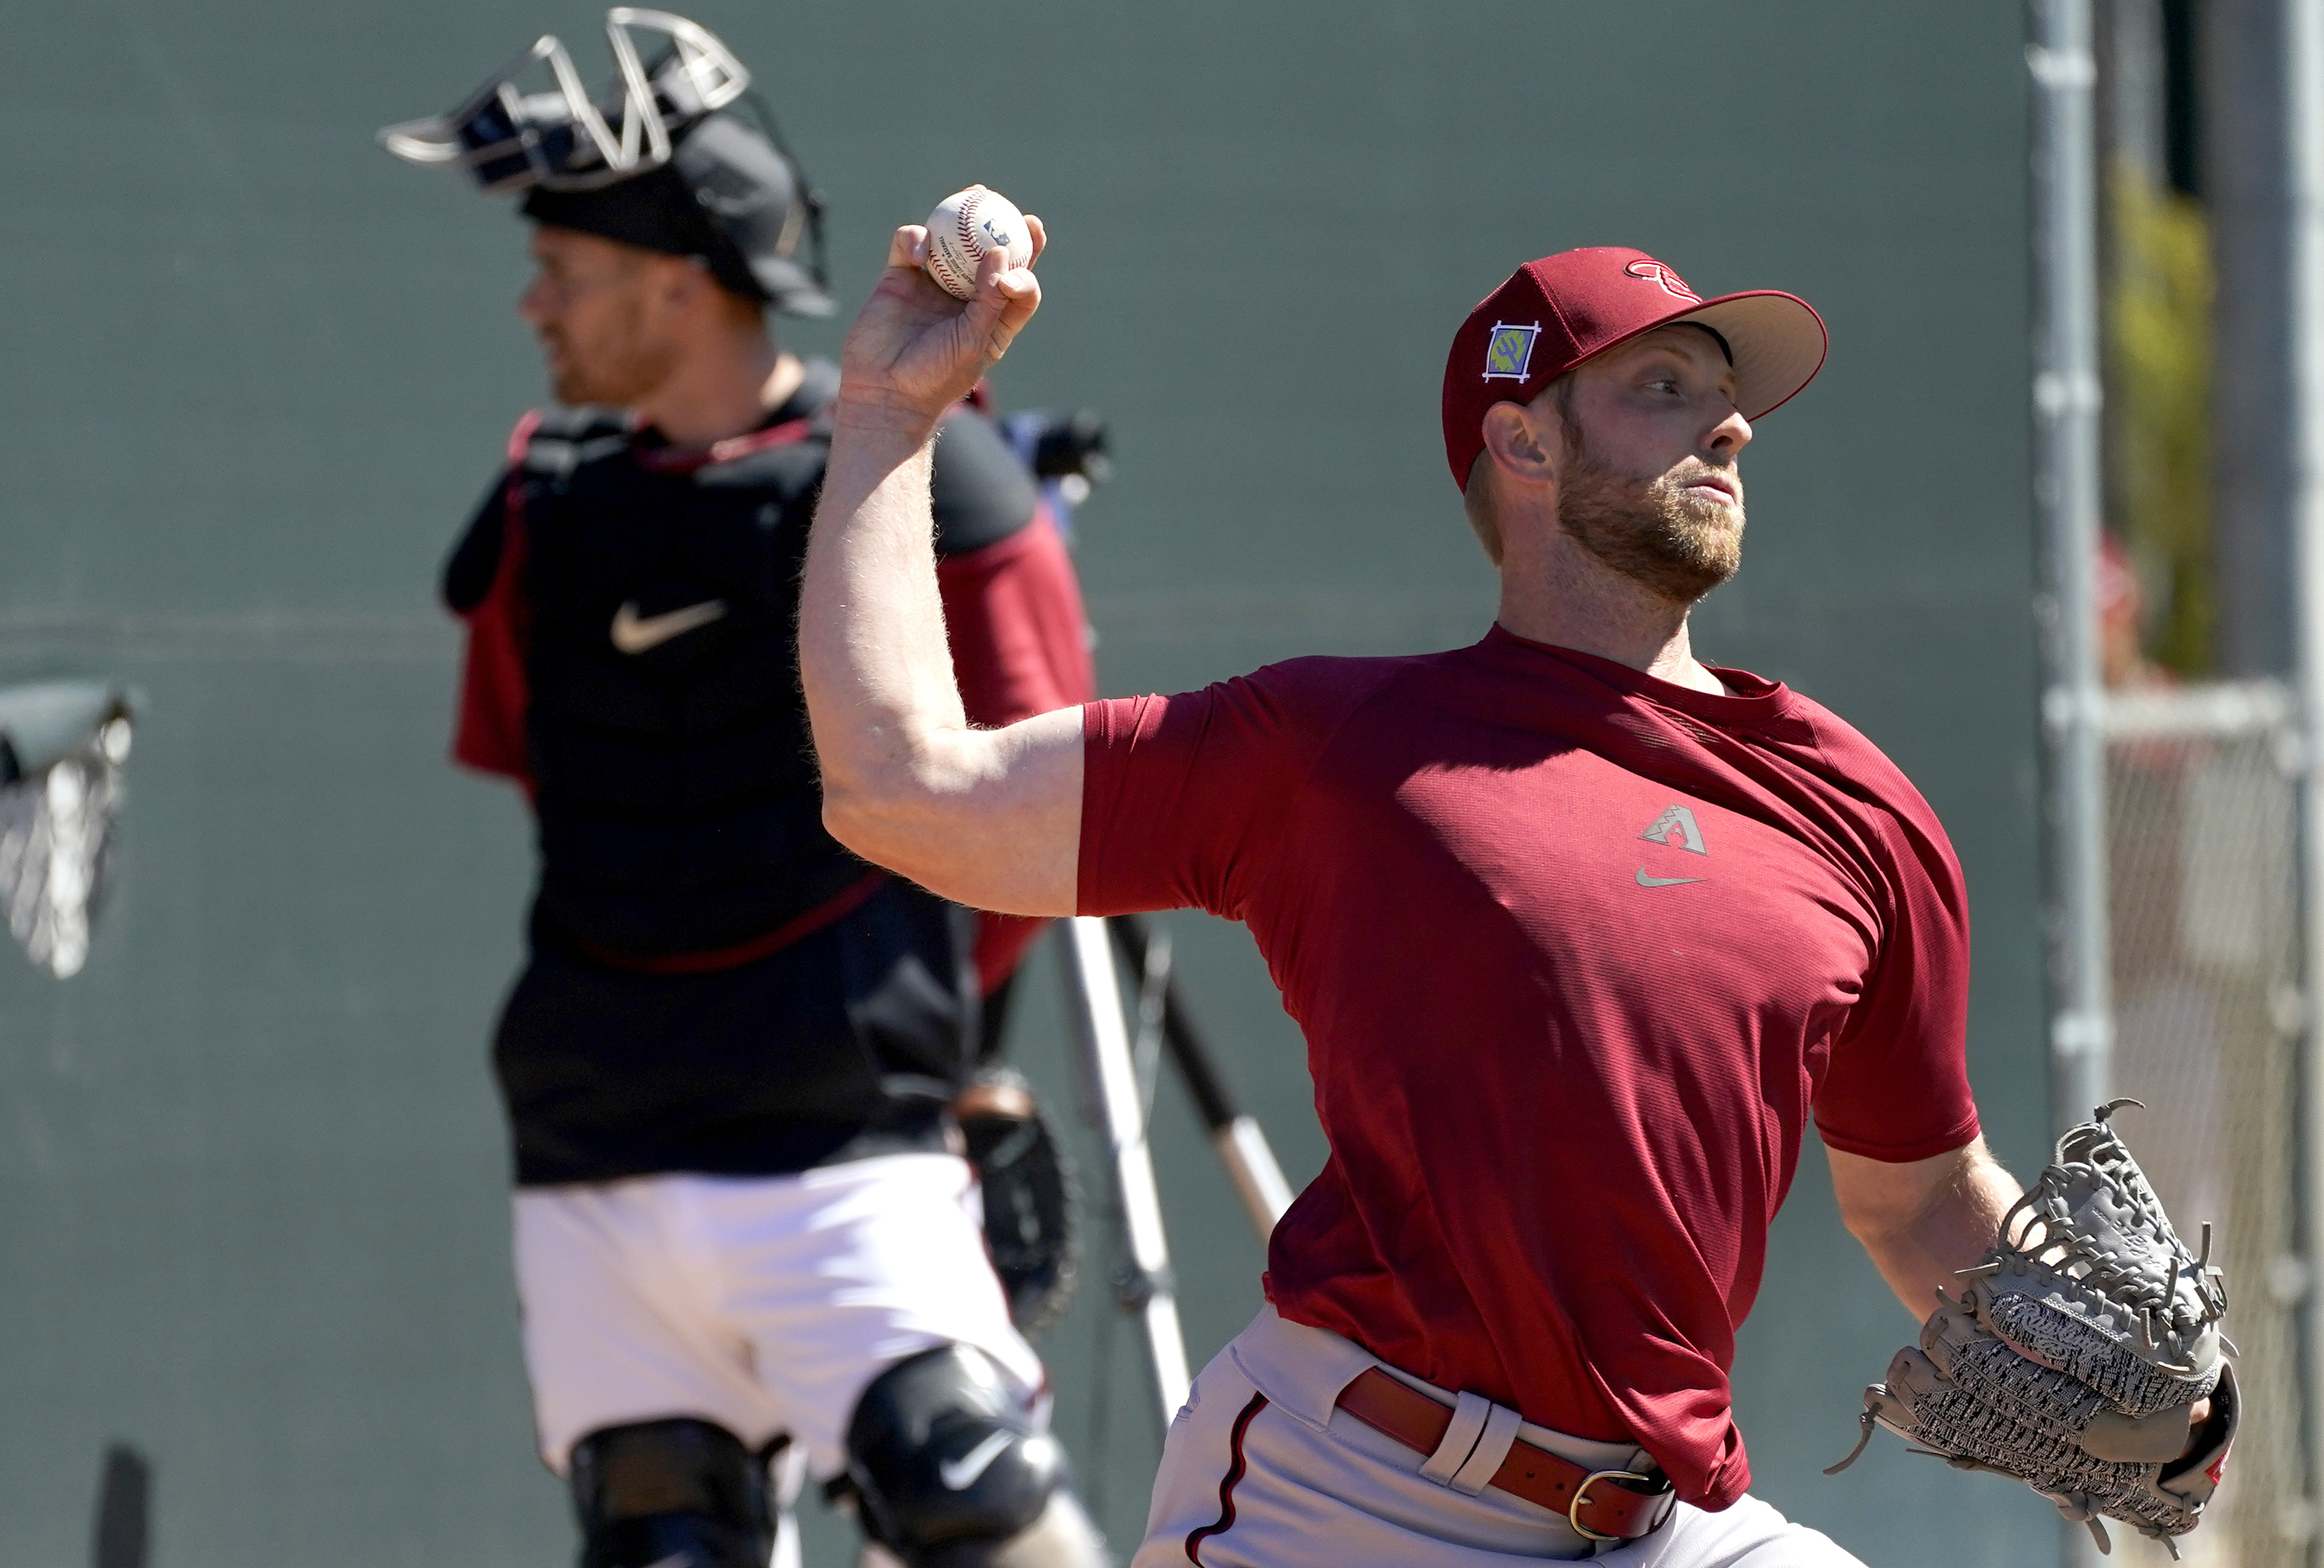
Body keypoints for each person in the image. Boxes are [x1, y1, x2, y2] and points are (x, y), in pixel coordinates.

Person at [795, 224, 2060, 1566]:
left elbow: (1920, 1200)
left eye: (1728, 395)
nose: (1732, 427)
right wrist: (886, 413)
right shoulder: (1339, 748)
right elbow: (903, 789)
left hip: (1665, 1522)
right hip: (1361, 1499)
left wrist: (2111, 1363)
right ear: (1524, 444)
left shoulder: (1854, 806)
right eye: (1665, 387)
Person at [380, 15, 1106, 1567]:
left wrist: (960, 1066)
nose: (533, 304)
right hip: (593, 1160)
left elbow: (1031, 823)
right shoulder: (541, 517)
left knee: (973, 1496)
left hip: (841, 1150)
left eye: (563, 269)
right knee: (659, 1538)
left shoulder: (943, 486)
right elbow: (553, 797)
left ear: (675, 272)